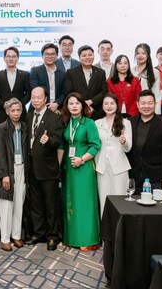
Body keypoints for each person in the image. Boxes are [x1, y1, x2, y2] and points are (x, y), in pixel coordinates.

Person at [58, 92, 101, 251]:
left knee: (85, 202)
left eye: (77, 103)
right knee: (70, 201)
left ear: (83, 105)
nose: (74, 106)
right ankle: (70, 238)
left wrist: (82, 159)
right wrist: (58, 167)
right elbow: (62, 146)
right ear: (67, 107)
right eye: (71, 103)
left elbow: (96, 145)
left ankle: (88, 239)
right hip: (68, 168)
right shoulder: (65, 123)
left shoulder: (89, 123)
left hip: (84, 167)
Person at [25, 87, 63, 251]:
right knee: (36, 203)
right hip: (31, 167)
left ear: (45, 98)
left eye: (39, 97)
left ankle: (52, 236)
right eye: (33, 97)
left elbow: (58, 140)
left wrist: (48, 140)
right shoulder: (28, 116)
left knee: (51, 204)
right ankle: (38, 233)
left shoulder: (54, 117)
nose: (35, 100)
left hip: (48, 168)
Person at [0, 98, 28, 252]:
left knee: (19, 202)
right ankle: (5, 239)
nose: (16, 113)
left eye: (18, 110)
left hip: (22, 167)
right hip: (8, 169)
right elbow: (1, 153)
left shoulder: (24, 127)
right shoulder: (2, 128)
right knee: (6, 204)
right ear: (7, 112)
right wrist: (4, 175)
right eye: (12, 110)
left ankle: (16, 235)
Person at [128, 90, 162, 191]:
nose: (146, 106)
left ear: (155, 104)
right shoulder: (130, 122)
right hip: (134, 174)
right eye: (143, 103)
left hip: (156, 176)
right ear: (137, 104)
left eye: (150, 103)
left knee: (156, 201)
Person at [95, 93, 131, 215]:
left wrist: (124, 142)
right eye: (106, 103)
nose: (109, 106)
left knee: (120, 201)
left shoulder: (125, 122)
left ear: (117, 105)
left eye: (112, 103)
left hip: (119, 167)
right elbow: (95, 145)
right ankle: (105, 227)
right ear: (102, 106)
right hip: (102, 167)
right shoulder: (97, 123)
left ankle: (120, 227)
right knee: (104, 200)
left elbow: (128, 148)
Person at [64, 45, 108, 120]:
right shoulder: (71, 73)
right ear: (79, 57)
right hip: (77, 111)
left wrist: (91, 102)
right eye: (84, 56)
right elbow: (69, 92)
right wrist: (83, 104)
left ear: (93, 56)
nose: (87, 57)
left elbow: (104, 91)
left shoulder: (100, 72)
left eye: (90, 55)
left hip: (96, 111)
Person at [0, 46, 31, 124]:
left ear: (18, 58)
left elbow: (29, 93)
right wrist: (3, 104)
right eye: (8, 56)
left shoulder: (25, 75)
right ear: (4, 58)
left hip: (20, 115)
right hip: (3, 115)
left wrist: (19, 104)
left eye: (14, 56)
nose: (11, 59)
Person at [30, 43, 66, 113]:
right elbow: (35, 90)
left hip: (58, 109)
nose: (50, 56)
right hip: (39, 109)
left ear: (56, 56)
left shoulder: (62, 73)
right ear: (42, 56)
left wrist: (56, 104)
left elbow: (64, 92)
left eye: (52, 54)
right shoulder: (35, 71)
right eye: (47, 54)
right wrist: (49, 107)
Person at [133, 43, 161, 114]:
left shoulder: (154, 72)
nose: (140, 56)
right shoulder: (131, 71)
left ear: (148, 55)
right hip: (132, 108)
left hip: (147, 107)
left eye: (143, 53)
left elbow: (156, 94)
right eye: (138, 53)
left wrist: (156, 113)